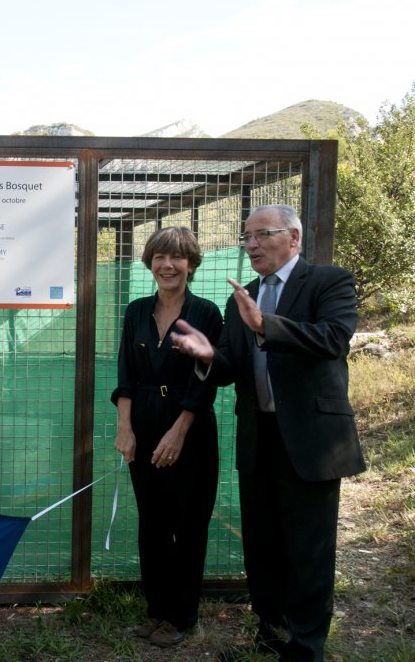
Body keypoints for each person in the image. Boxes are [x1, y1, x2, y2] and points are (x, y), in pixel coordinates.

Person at [170, 204, 365, 662]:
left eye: (262, 234)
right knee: (262, 545)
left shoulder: (327, 282)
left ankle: (305, 647)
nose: (251, 244)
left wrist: (265, 326)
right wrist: (206, 356)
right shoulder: (244, 295)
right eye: (246, 237)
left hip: (312, 440)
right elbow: (232, 367)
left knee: (308, 549)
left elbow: (334, 338)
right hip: (259, 437)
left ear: (293, 238)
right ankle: (270, 633)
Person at [111, 227, 223, 648]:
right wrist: (126, 429)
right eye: (159, 257)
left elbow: (205, 381)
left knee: (188, 523)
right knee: (153, 523)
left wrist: (178, 432)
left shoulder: (206, 313)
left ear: (191, 264)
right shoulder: (136, 311)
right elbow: (125, 374)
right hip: (142, 422)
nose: (167, 265)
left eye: (177, 257)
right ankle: (156, 609)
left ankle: (181, 615)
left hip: (188, 429)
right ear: (149, 263)